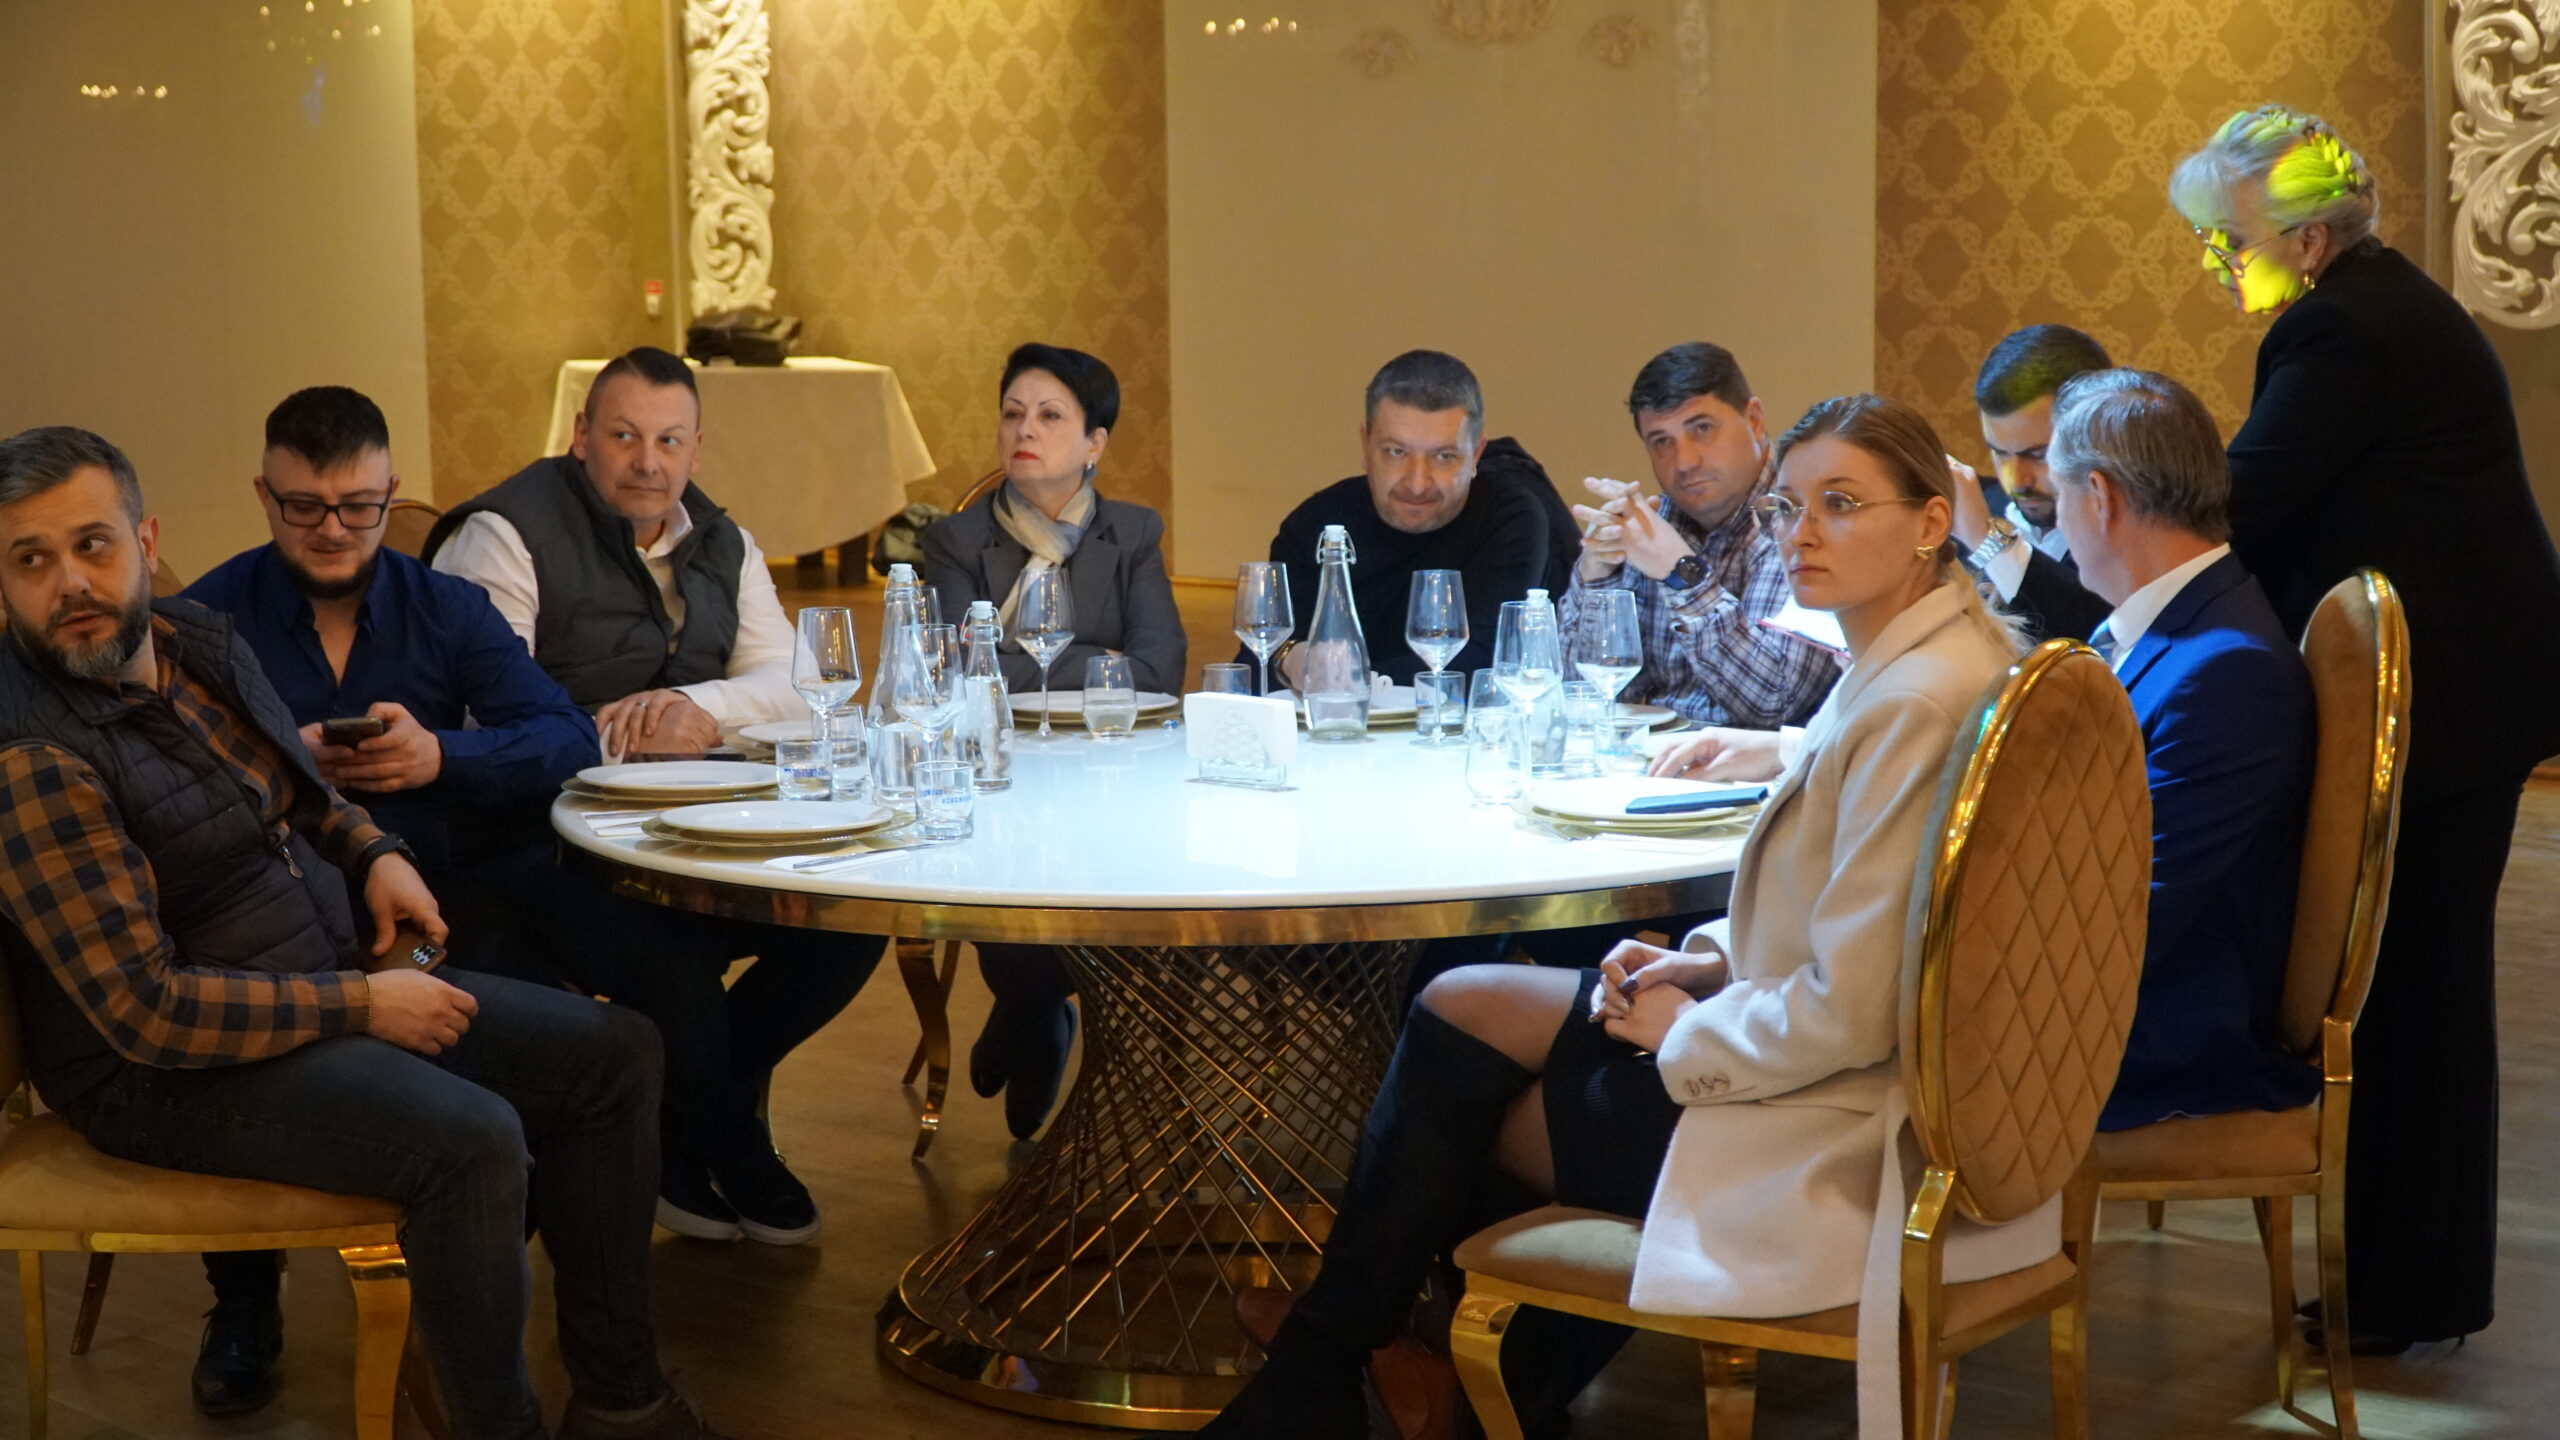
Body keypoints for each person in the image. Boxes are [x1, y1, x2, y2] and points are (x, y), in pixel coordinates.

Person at [1200, 395, 2055, 1440]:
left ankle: (1398, 1383)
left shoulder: (1912, 699)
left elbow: (1857, 1007)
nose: (1801, 534)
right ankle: (1382, 1371)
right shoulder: (1923, 659)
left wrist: (1688, 1028)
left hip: (1843, 1126)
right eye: (1789, 507)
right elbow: (1863, 924)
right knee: (1464, 1004)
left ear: (1931, 523)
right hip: (1838, 1064)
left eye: (1840, 504)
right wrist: (1704, 962)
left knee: (1476, 1113)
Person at [0, 426, 737, 1440]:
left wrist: (375, 852)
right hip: (161, 1072)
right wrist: (363, 1005)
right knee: (472, 1142)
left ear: (144, 539)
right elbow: (145, 1012)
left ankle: (621, 1402)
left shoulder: (192, 642)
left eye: (92, 544)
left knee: (617, 1052)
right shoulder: (32, 756)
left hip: (306, 980)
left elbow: (304, 795)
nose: (70, 583)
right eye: (30, 559)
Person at [2170, 105, 2560, 1350]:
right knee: (2418, 994)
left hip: (2453, 700)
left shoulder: (2340, 328)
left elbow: (2245, 502)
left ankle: (2404, 1295)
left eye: (2231, 239)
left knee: (2416, 998)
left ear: (2310, 240)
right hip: (2473, 687)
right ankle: (2407, 1286)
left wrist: (2111, 540)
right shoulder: (2369, 307)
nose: (2219, 261)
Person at [177, 387, 603, 1414]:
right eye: (304, 507)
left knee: (566, 1040)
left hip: (437, 905)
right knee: (240, 1025)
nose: (333, 529)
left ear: (391, 493)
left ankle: (473, 1279)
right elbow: (169, 793)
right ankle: (243, 1303)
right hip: (268, 923)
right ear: (264, 495)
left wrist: (437, 755)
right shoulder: (205, 619)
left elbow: (567, 739)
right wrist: (281, 766)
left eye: (358, 507)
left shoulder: (444, 606)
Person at [425, 349, 889, 1249]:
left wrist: (697, 708)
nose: (648, 462)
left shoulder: (722, 539)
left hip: (694, 827)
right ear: (581, 437)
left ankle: (688, 1118)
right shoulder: (505, 535)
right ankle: (728, 1140)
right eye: (625, 437)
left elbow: (801, 690)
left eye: (670, 441)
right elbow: (485, 714)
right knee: (669, 959)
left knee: (848, 920)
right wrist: (626, 731)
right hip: (539, 839)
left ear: (696, 449)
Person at [2040, 368, 2323, 1128]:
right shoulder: (2176, 624)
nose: (2059, 524)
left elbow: (2137, 912)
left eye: (2058, 496)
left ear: (2099, 498)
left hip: (2159, 1039)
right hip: (2122, 992)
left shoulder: (2226, 671)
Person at [920, 344, 1185, 1139]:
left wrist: (1032, 662)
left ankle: (1027, 1010)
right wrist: (1098, 660)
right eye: (1012, 414)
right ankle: (1037, 1009)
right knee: (1007, 880)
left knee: (1123, 876)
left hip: (1112, 767)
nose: (1024, 430)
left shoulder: (1132, 533)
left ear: (1095, 442)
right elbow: (960, 672)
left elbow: (1160, 668)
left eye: (1049, 416)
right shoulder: (956, 540)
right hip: (1000, 768)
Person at [1247, 350, 1576, 686]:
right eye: (1396, 452)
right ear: (1365, 445)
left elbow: (1483, 665)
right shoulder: (1316, 524)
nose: (1417, 484)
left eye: (1444, 457)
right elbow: (1256, 666)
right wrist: (1289, 659)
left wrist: (1355, 681)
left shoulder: (1509, 517)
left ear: (1476, 454)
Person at [1558, 342, 1837, 727]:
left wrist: (1681, 573)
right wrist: (1595, 577)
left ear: (1755, 420)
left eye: (1702, 429)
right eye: (1662, 442)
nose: (1685, 462)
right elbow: (1582, 699)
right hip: (1650, 755)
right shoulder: (1653, 525)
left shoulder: (1805, 519)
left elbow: (1773, 702)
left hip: (1756, 763)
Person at [1946, 325, 2116, 641]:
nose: (2015, 480)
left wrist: (1987, 539)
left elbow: (2096, 633)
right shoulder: (1969, 508)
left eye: (2038, 454)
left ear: (2099, 434)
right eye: (2000, 453)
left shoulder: (2136, 535)